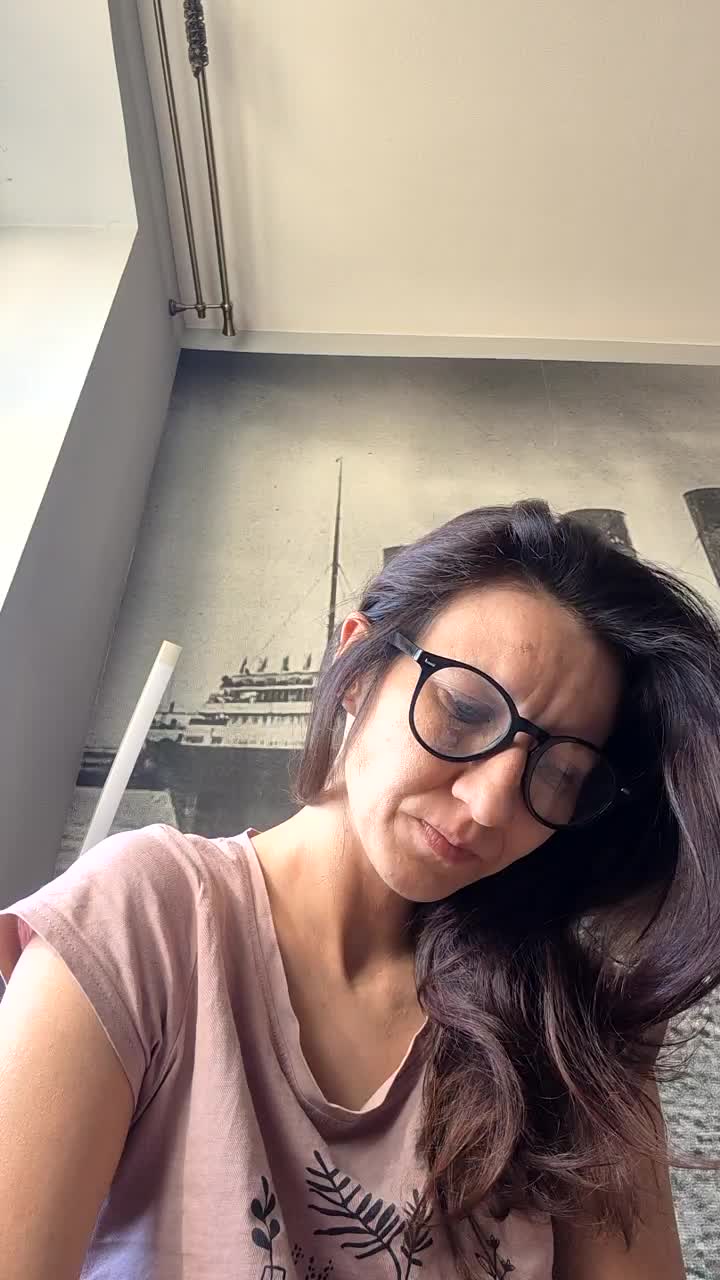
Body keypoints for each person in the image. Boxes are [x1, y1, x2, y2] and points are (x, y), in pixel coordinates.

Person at [1, 499, 719, 1280]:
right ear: (359, 664)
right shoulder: (142, 918)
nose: (489, 805)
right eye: (464, 711)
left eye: (560, 773)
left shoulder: (569, 1021)